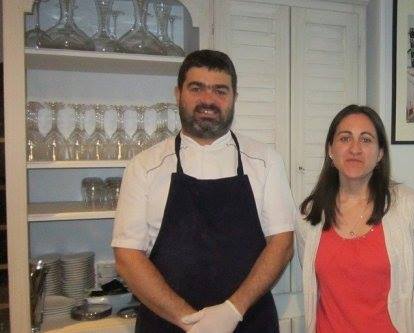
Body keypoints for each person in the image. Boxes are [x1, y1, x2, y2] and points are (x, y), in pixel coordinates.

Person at [111, 50, 296, 333]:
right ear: (178, 93)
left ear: (234, 97)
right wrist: (193, 323)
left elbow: (282, 244)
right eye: (196, 88)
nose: (208, 100)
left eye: (220, 90)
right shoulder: (144, 167)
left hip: (248, 321)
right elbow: (127, 257)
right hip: (167, 324)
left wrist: (232, 311)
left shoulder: (265, 161)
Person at [296, 104, 414, 333]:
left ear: (380, 153)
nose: (355, 149)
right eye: (345, 138)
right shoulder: (310, 216)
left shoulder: (412, 207)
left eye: (366, 140)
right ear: (330, 150)